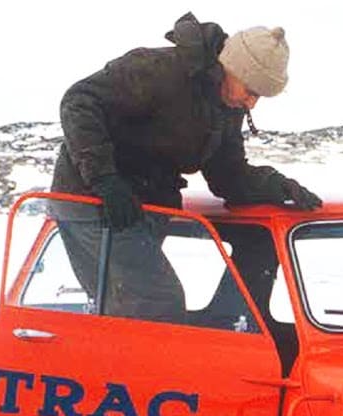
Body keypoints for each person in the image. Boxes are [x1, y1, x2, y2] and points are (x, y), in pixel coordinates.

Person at [49, 12, 320, 322]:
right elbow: (79, 102)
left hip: (141, 208)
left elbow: (227, 176)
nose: (252, 103)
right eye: (252, 91)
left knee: (128, 309)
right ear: (233, 68)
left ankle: (111, 368)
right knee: (154, 300)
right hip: (91, 200)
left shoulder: (224, 108)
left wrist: (276, 186)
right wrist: (105, 179)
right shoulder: (159, 71)